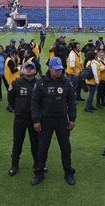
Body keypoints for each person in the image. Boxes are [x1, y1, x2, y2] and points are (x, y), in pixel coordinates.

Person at [30, 57, 77, 186]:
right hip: (46, 120)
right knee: (42, 148)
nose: (58, 72)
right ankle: (39, 173)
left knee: (66, 148)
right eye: (56, 70)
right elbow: (34, 102)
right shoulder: (41, 83)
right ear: (49, 69)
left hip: (62, 120)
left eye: (60, 69)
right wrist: (36, 120)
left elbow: (72, 102)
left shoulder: (66, 82)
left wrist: (72, 118)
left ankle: (68, 173)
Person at [8, 61, 39, 176]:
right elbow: (10, 98)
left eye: (31, 68)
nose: (29, 70)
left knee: (36, 143)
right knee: (17, 142)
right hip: (20, 118)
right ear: (22, 70)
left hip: (34, 119)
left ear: (35, 71)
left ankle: (38, 164)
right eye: (27, 68)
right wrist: (17, 109)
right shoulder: (16, 83)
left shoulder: (39, 83)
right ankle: (14, 165)